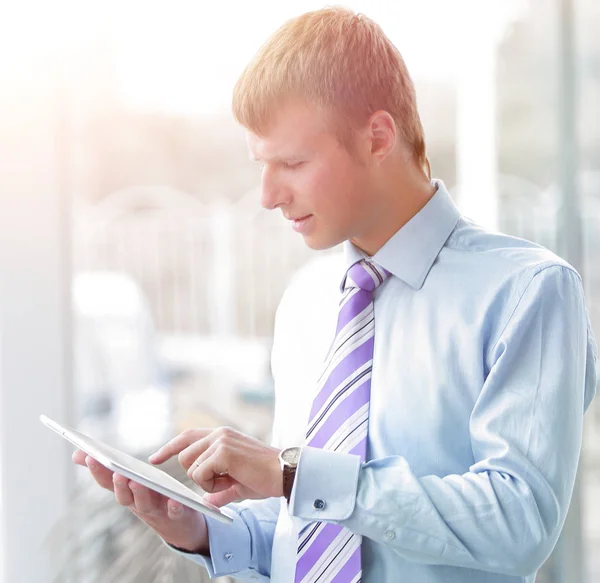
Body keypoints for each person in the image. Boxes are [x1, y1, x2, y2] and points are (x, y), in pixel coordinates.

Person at [73, 6, 598, 583]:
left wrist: (298, 475)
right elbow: (298, 525)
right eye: (261, 164)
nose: (269, 195)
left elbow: (517, 522)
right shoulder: (306, 302)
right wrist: (195, 529)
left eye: (292, 162)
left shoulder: (525, 293)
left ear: (377, 137)